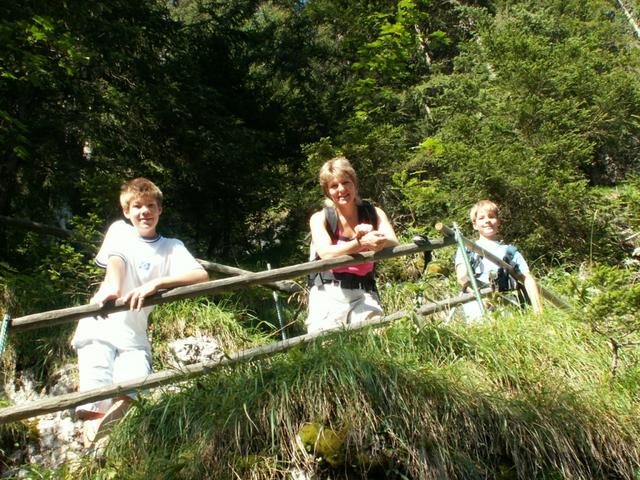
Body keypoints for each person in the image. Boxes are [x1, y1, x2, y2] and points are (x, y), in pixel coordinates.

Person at [71, 178, 209, 447]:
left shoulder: (171, 247)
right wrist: (113, 288)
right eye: (137, 206)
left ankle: (95, 457)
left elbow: (200, 274)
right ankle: (94, 460)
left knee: (130, 395)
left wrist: (156, 283)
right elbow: (116, 262)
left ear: (160, 210)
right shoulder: (119, 231)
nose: (144, 212)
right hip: (99, 326)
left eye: (150, 206)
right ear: (126, 211)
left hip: (134, 336)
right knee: (94, 405)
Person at [306, 157, 399, 333]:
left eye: (345, 182)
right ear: (327, 192)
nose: (341, 189)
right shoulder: (320, 219)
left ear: (355, 185)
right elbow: (326, 253)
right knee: (327, 344)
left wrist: (375, 237)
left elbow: (393, 242)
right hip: (328, 293)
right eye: (334, 186)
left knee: (380, 334)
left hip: (364, 292)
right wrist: (360, 242)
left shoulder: (373, 213)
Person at [455, 199, 543, 321]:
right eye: (481, 218)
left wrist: (538, 312)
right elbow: (462, 278)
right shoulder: (466, 249)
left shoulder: (510, 252)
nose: (487, 221)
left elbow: (527, 279)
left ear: (498, 222)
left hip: (507, 305)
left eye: (491, 216)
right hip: (476, 305)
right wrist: (480, 296)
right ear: (475, 225)